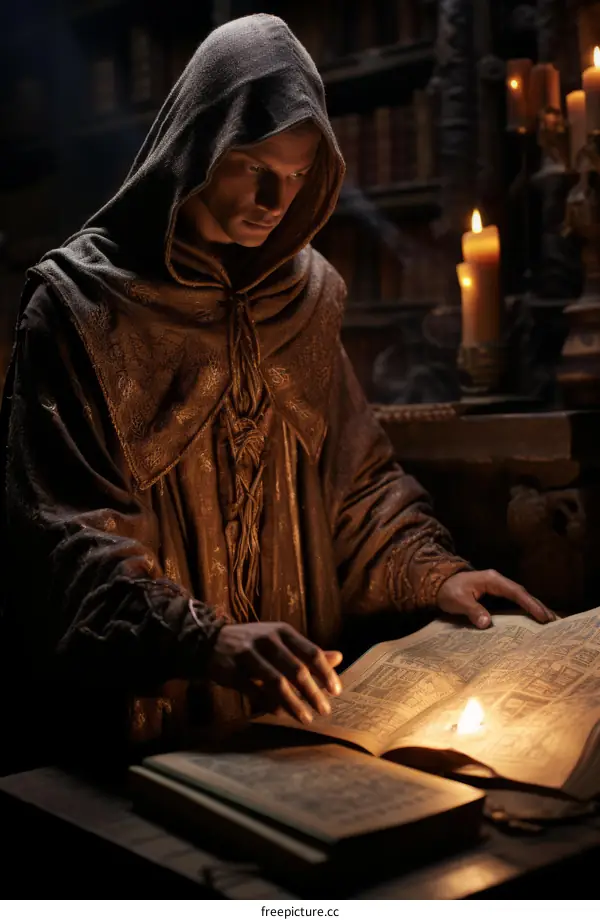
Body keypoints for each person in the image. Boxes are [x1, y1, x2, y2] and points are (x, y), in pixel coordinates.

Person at [0, 14, 553, 767]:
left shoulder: (307, 298)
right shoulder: (78, 306)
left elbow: (356, 486)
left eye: (297, 177)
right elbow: (62, 532)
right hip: (144, 722)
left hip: (300, 718)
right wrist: (205, 640)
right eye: (252, 165)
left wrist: (438, 574)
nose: (274, 199)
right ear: (195, 145)